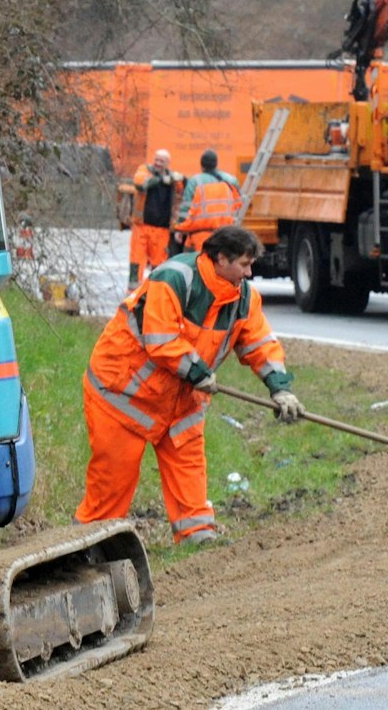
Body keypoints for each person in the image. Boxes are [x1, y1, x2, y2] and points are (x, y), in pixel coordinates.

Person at [74, 224, 301, 543]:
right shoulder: (174, 278)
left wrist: (281, 388)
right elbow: (162, 339)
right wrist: (198, 373)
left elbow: (260, 344)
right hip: (124, 394)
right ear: (222, 259)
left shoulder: (244, 298)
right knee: (113, 479)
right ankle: (90, 541)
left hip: (182, 401)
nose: (249, 274)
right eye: (244, 265)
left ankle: (197, 537)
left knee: (189, 470)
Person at [123, 150, 182, 289]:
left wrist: (178, 179)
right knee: (136, 260)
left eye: (162, 161)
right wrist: (162, 179)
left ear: (167, 164)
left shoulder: (171, 178)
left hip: (162, 229)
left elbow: (182, 190)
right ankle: (133, 291)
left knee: (159, 263)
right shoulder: (144, 170)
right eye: (156, 159)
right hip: (141, 226)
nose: (158, 163)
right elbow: (141, 183)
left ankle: (155, 291)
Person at [176, 149, 241, 252]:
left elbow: (186, 208)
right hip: (224, 234)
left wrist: (180, 229)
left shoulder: (195, 181)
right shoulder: (231, 180)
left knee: (197, 264)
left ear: (202, 165)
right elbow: (238, 204)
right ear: (216, 164)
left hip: (201, 235)